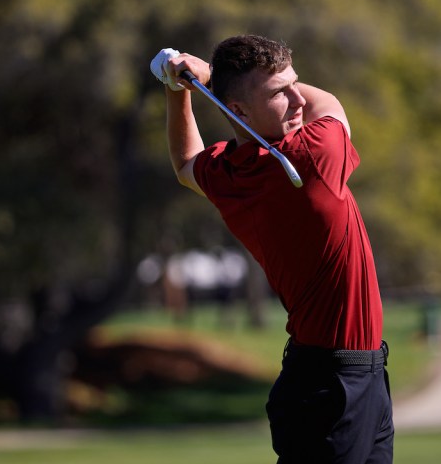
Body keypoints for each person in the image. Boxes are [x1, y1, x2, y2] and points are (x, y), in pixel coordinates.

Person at [150, 35, 393, 464]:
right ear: (237, 109)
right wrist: (205, 76)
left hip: (348, 375)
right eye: (280, 92)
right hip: (331, 384)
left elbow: (187, 164)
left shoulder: (230, 175)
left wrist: (177, 92)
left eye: (295, 83)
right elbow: (330, 103)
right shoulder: (311, 157)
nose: (298, 99)